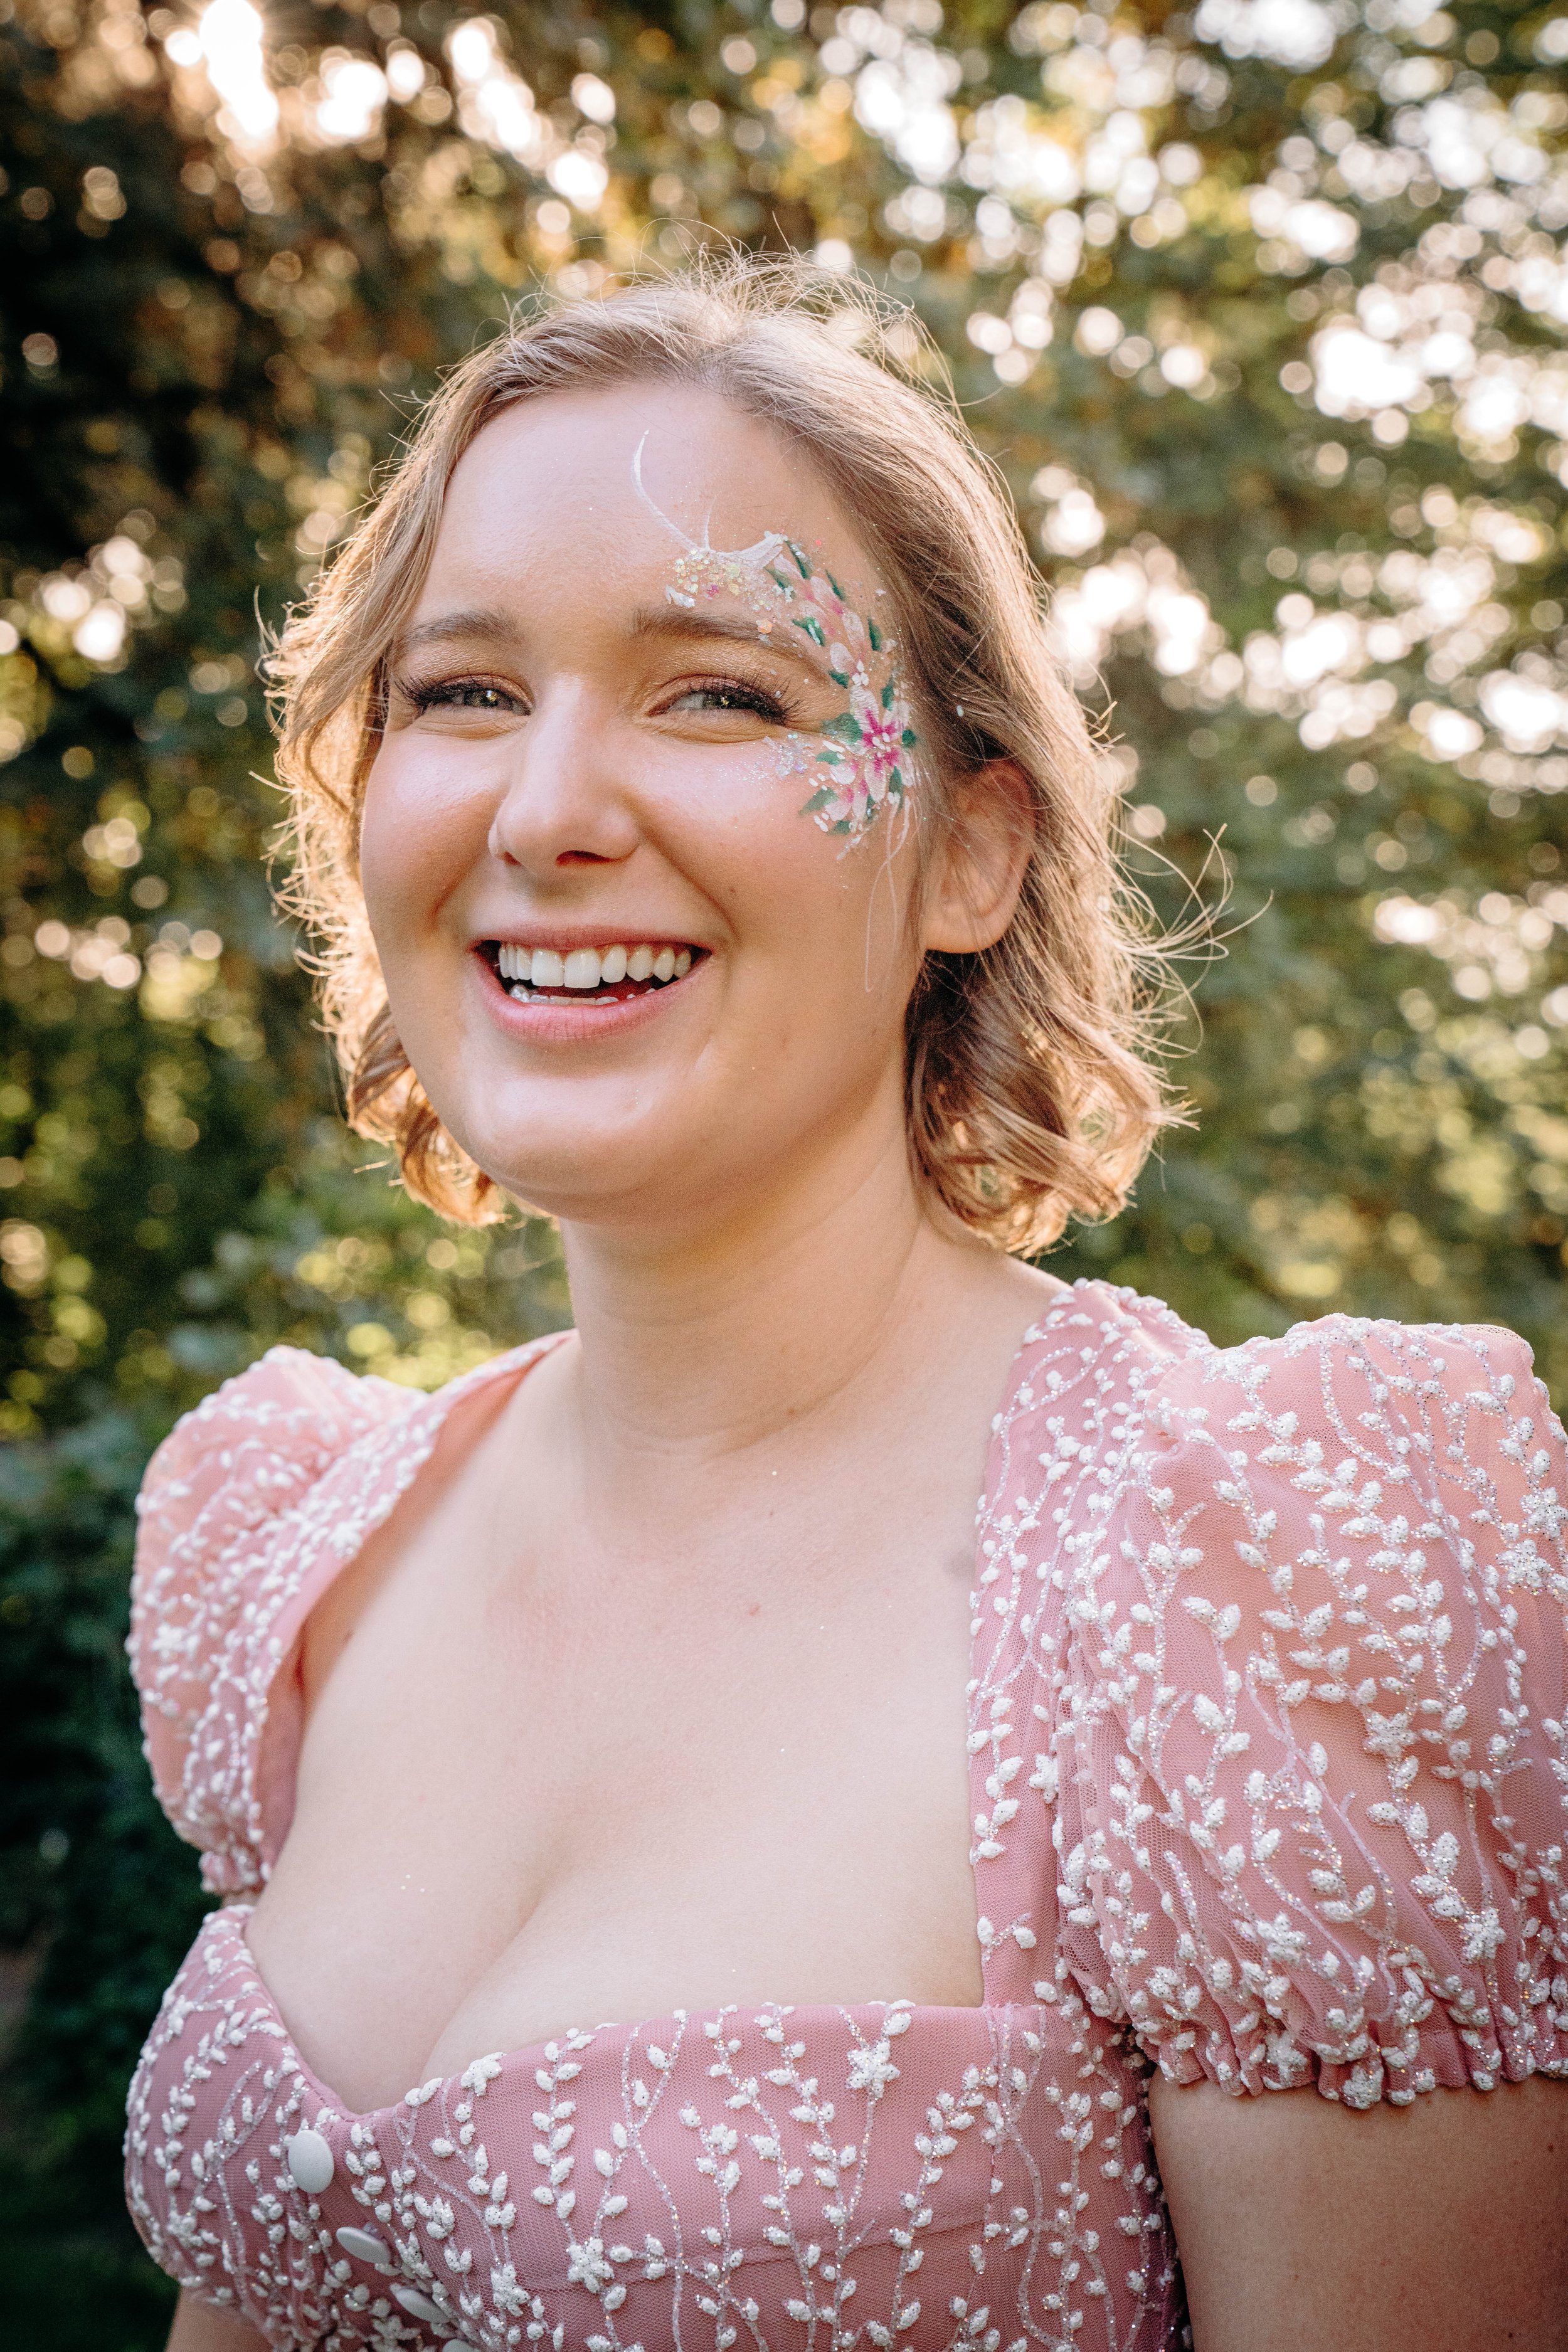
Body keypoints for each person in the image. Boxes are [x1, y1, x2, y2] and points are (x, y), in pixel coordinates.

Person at [124, 262, 1568, 2352]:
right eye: (459, 693)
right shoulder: (302, 1557)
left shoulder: (1247, 1588)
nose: (545, 811)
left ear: (972, 856)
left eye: (719, 693)